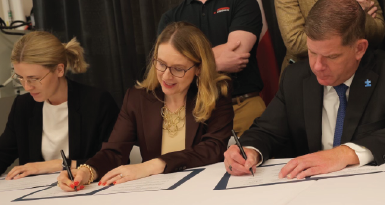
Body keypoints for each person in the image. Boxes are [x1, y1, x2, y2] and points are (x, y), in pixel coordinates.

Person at [223, 0, 385, 179]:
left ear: (360, 48)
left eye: (332, 56)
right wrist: (249, 150)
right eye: (312, 52)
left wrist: (343, 154)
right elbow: (267, 131)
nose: (317, 66)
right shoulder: (296, 77)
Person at [57, 22, 233, 191]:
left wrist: (153, 165)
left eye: (178, 69)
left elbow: (213, 148)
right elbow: (115, 151)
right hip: (155, 193)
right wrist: (88, 171)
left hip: (203, 189)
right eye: (161, 64)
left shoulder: (216, 97)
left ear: (199, 68)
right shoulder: (137, 98)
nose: (166, 76)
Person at [158, 0, 265, 136]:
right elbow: (167, 71)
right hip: (195, 112)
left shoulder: (243, 2)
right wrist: (216, 60)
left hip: (243, 107)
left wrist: (188, 64)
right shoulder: (171, 18)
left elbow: (235, 55)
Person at [0, 32, 119, 179]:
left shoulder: (97, 102)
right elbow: (3, 153)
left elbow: (114, 159)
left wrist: (59, 164)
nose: (27, 87)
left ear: (59, 70)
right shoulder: (23, 106)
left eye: (34, 79)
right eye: (20, 78)